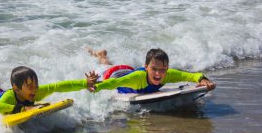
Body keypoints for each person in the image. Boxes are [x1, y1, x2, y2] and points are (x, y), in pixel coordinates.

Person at [87, 47, 216, 93]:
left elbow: (192, 76)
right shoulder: (136, 79)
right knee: (106, 66)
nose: (159, 73)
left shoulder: (167, 74)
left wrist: (203, 79)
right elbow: (113, 83)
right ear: (146, 67)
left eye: (163, 69)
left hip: (128, 70)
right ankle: (100, 55)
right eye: (154, 69)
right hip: (112, 74)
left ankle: (102, 55)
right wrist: (96, 86)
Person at [0, 66, 99, 115]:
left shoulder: (36, 92)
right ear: (16, 88)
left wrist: (84, 83)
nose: (35, 89)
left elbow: (58, 86)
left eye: (36, 85)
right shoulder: (10, 96)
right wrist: (23, 108)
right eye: (30, 86)